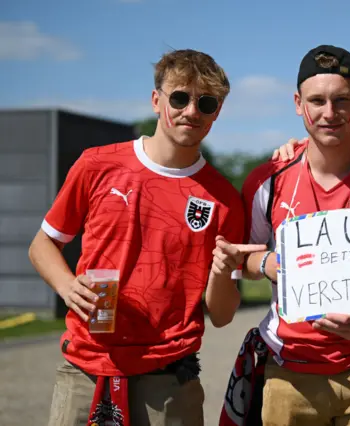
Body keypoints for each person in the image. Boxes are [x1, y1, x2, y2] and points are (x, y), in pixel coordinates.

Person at [28, 49, 262, 426]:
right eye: (180, 98)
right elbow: (42, 245)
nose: (192, 111)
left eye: (206, 102)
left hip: (171, 378)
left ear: (217, 111)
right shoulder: (97, 164)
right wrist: (68, 286)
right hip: (88, 365)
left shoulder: (224, 199)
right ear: (156, 100)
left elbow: (221, 315)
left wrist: (220, 273)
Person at [219, 45, 350, 426]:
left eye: (342, 100)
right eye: (316, 100)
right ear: (298, 103)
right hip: (288, 372)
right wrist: (270, 263)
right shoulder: (267, 181)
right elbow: (242, 259)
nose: (329, 113)